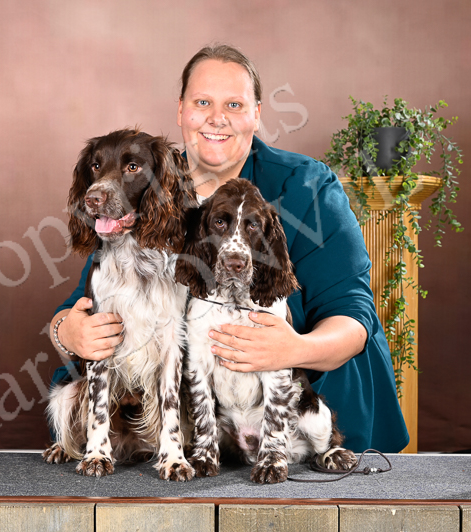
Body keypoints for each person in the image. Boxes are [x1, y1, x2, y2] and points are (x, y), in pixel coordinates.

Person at [49, 45, 409, 453]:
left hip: (305, 415)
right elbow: (89, 299)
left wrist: (294, 349)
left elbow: (354, 316)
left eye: (234, 105)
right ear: (181, 110)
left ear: (256, 113)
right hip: (205, 430)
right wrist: (68, 331)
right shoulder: (149, 184)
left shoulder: (308, 187)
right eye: (202, 102)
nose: (216, 118)